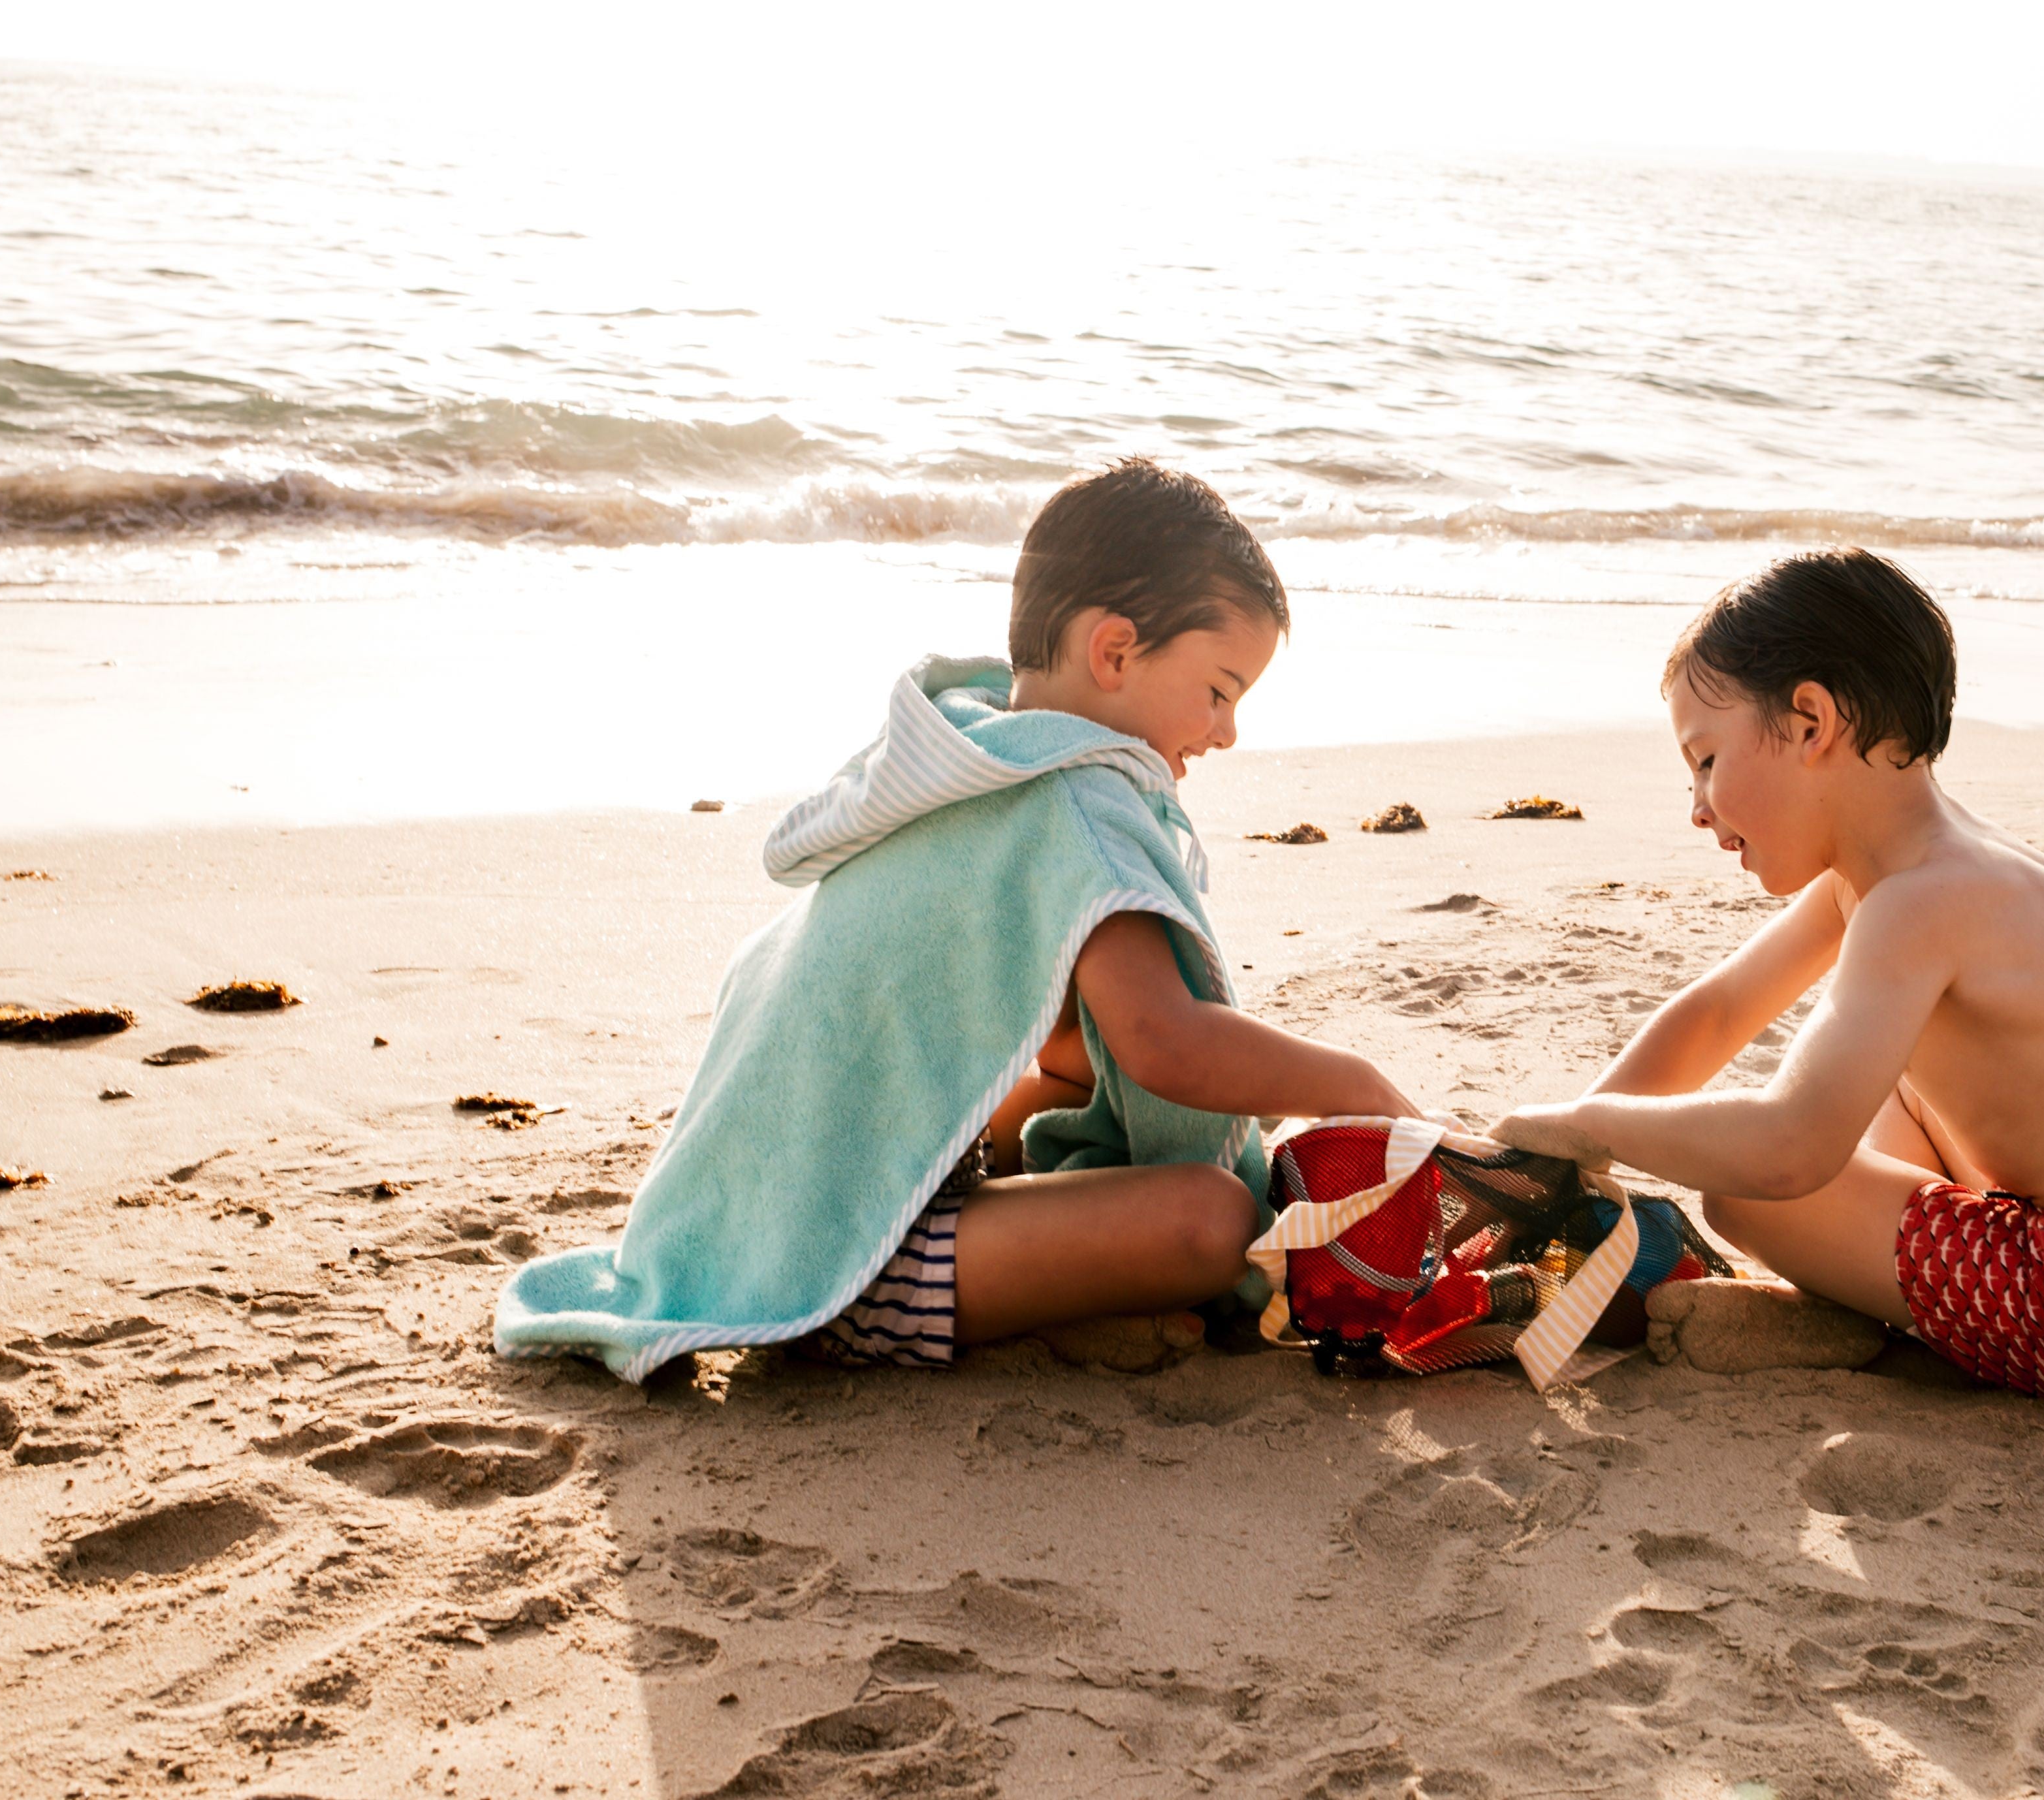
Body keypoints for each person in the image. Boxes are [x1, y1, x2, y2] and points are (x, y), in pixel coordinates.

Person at [499, 458, 1421, 1382]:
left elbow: (1078, 1046)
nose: (1226, 733)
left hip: (784, 1187)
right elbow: (1163, 1045)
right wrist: (1359, 1085)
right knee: (1211, 1220)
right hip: (843, 1257)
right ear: (1114, 653)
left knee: (1075, 1076)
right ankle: (882, 1313)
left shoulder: (976, 758)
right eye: (1220, 691)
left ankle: (1023, 1265)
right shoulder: (1077, 807)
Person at [1493, 549, 2044, 1411]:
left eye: (1708, 761)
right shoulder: (1930, 867)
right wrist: (1559, 1162)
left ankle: (1849, 1319)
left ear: (1811, 722)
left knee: (1746, 1182)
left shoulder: (1920, 904)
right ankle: (1848, 1300)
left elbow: (1792, 1147)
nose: (1696, 806)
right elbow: (1718, 1012)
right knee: (1881, 1075)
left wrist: (1592, 1127)